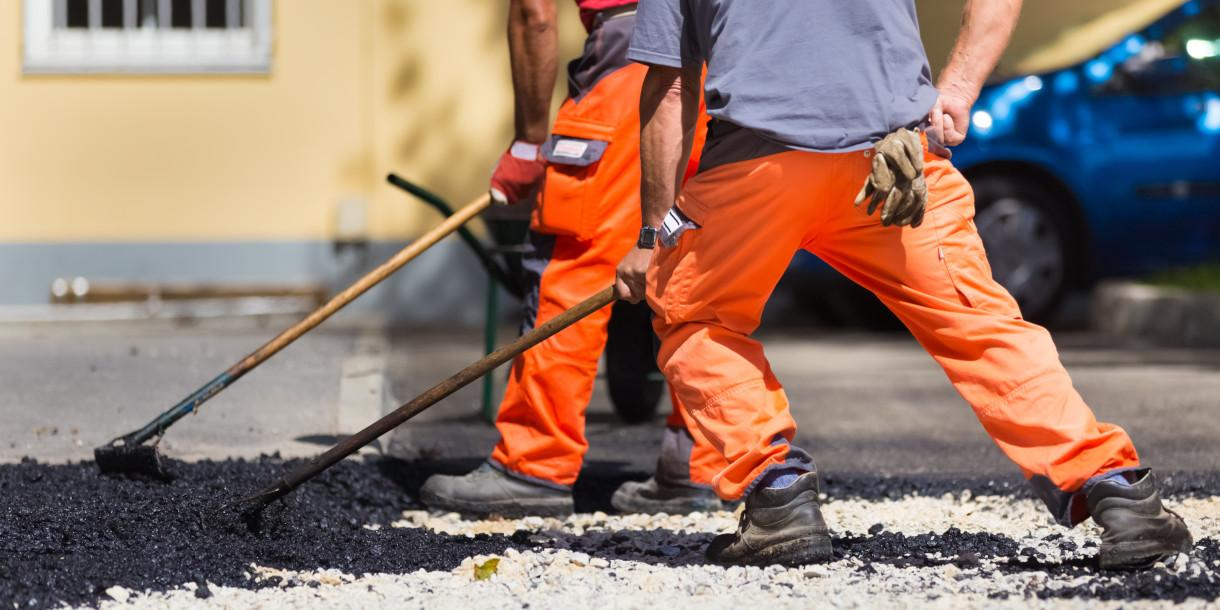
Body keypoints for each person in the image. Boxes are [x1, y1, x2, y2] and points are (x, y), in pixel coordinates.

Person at [614, 0, 1193, 569]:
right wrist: (960, 89)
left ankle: (777, 494)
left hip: (756, 165)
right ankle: (1113, 487)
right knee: (981, 327)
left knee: (696, 319)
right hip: (895, 161)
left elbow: (668, 90)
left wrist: (653, 235)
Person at [420, 0, 724, 518]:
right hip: (715, 69)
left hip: (630, 73)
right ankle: (695, 461)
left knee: (572, 268)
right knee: (694, 264)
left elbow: (534, 14)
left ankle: (533, 464)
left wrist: (528, 141)